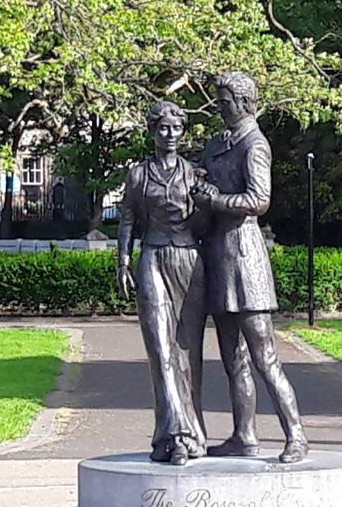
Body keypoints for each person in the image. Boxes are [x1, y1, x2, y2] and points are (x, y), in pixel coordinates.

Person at [192, 73, 309, 464]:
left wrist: (215, 199)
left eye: (225, 101)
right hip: (218, 255)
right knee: (233, 358)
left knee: (265, 357)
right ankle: (244, 435)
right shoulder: (216, 145)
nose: (219, 107)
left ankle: (296, 435)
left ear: (245, 103)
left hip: (245, 257)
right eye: (218, 101)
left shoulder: (254, 144)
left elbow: (259, 200)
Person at [116, 101, 209, 465]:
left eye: (176, 129)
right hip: (152, 258)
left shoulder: (194, 175)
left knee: (188, 353)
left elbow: (206, 225)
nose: (170, 135)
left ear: (183, 133)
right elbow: (127, 219)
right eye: (163, 128)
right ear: (153, 132)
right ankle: (176, 435)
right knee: (160, 350)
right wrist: (123, 260)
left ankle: (187, 434)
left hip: (188, 262)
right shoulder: (139, 175)